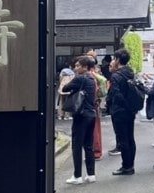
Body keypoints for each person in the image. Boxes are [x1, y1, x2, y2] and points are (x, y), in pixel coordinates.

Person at [59, 56, 98, 185]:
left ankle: (77, 176)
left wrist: (70, 82)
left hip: (81, 115)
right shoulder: (92, 79)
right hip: (91, 114)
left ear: (85, 67)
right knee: (89, 145)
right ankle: (91, 174)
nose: (75, 68)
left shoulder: (80, 78)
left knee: (76, 145)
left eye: (77, 66)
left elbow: (65, 88)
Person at [107, 49, 139, 175]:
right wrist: (130, 107)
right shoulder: (131, 73)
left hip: (119, 110)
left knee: (122, 139)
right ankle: (131, 165)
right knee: (130, 138)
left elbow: (116, 94)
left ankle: (126, 166)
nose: (113, 61)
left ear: (118, 60)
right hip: (131, 110)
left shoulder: (116, 76)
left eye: (114, 58)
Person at [89, 58, 108, 160]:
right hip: (96, 104)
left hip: (91, 105)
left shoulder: (92, 75)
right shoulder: (97, 74)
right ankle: (97, 151)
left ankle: (95, 152)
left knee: (93, 130)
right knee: (96, 129)